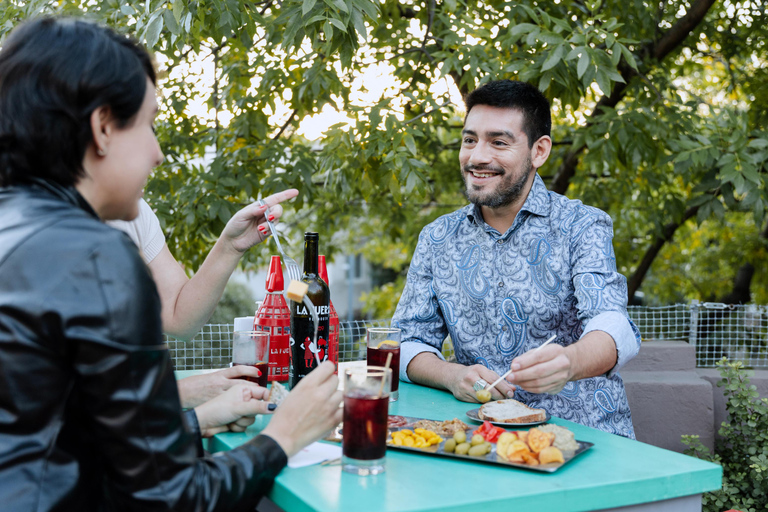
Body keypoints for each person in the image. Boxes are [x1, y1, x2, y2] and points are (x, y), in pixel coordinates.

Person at [0, 17, 342, 511]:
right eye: (149, 124)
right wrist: (283, 437)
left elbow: (59, 438)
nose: (158, 154)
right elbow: (173, 497)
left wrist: (191, 422)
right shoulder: (95, 255)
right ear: (101, 128)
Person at [391, 79, 641, 438]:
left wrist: (569, 363)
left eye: (498, 142)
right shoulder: (437, 237)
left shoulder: (581, 224)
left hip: (582, 438)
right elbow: (405, 341)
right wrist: (451, 375)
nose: (477, 156)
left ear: (539, 151)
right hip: (480, 440)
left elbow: (612, 325)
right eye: (469, 140)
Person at [108, 192, 299, 408]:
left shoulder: (136, 211)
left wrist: (231, 245)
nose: (159, 157)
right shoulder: (68, 227)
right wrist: (181, 395)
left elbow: (179, 317)